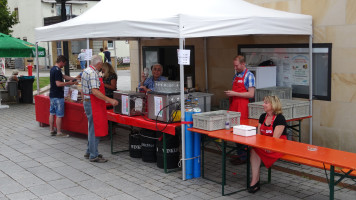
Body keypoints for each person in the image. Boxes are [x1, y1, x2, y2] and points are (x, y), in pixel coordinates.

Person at [81, 55, 118, 163]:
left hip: (89, 102)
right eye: (101, 63)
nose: (102, 65)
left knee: (91, 127)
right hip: (93, 103)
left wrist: (84, 102)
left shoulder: (86, 71)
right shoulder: (93, 73)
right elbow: (95, 91)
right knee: (95, 128)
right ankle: (94, 155)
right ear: (99, 64)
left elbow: (83, 90)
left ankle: (89, 151)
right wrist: (110, 100)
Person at [248, 96, 287, 193]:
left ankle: (255, 181)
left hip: (278, 145)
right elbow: (259, 136)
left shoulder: (280, 119)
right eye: (264, 102)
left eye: (266, 103)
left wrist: (264, 146)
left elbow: (275, 140)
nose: (263, 104)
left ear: (273, 105)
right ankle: (255, 180)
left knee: (255, 150)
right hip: (264, 144)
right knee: (254, 150)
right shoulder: (262, 117)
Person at [225, 55, 255, 165]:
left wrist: (235, 93)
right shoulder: (236, 76)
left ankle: (245, 157)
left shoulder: (249, 76)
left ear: (243, 64)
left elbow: (251, 94)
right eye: (234, 66)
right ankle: (241, 155)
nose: (235, 68)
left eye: (236, 65)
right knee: (234, 131)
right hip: (233, 106)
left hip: (242, 107)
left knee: (242, 131)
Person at [49, 55, 77, 137]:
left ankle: (51, 130)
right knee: (59, 115)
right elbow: (58, 84)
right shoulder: (57, 70)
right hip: (58, 95)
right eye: (64, 63)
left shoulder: (53, 69)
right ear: (61, 62)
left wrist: (74, 78)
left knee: (52, 113)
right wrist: (69, 83)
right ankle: (59, 132)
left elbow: (63, 76)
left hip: (52, 94)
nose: (64, 65)